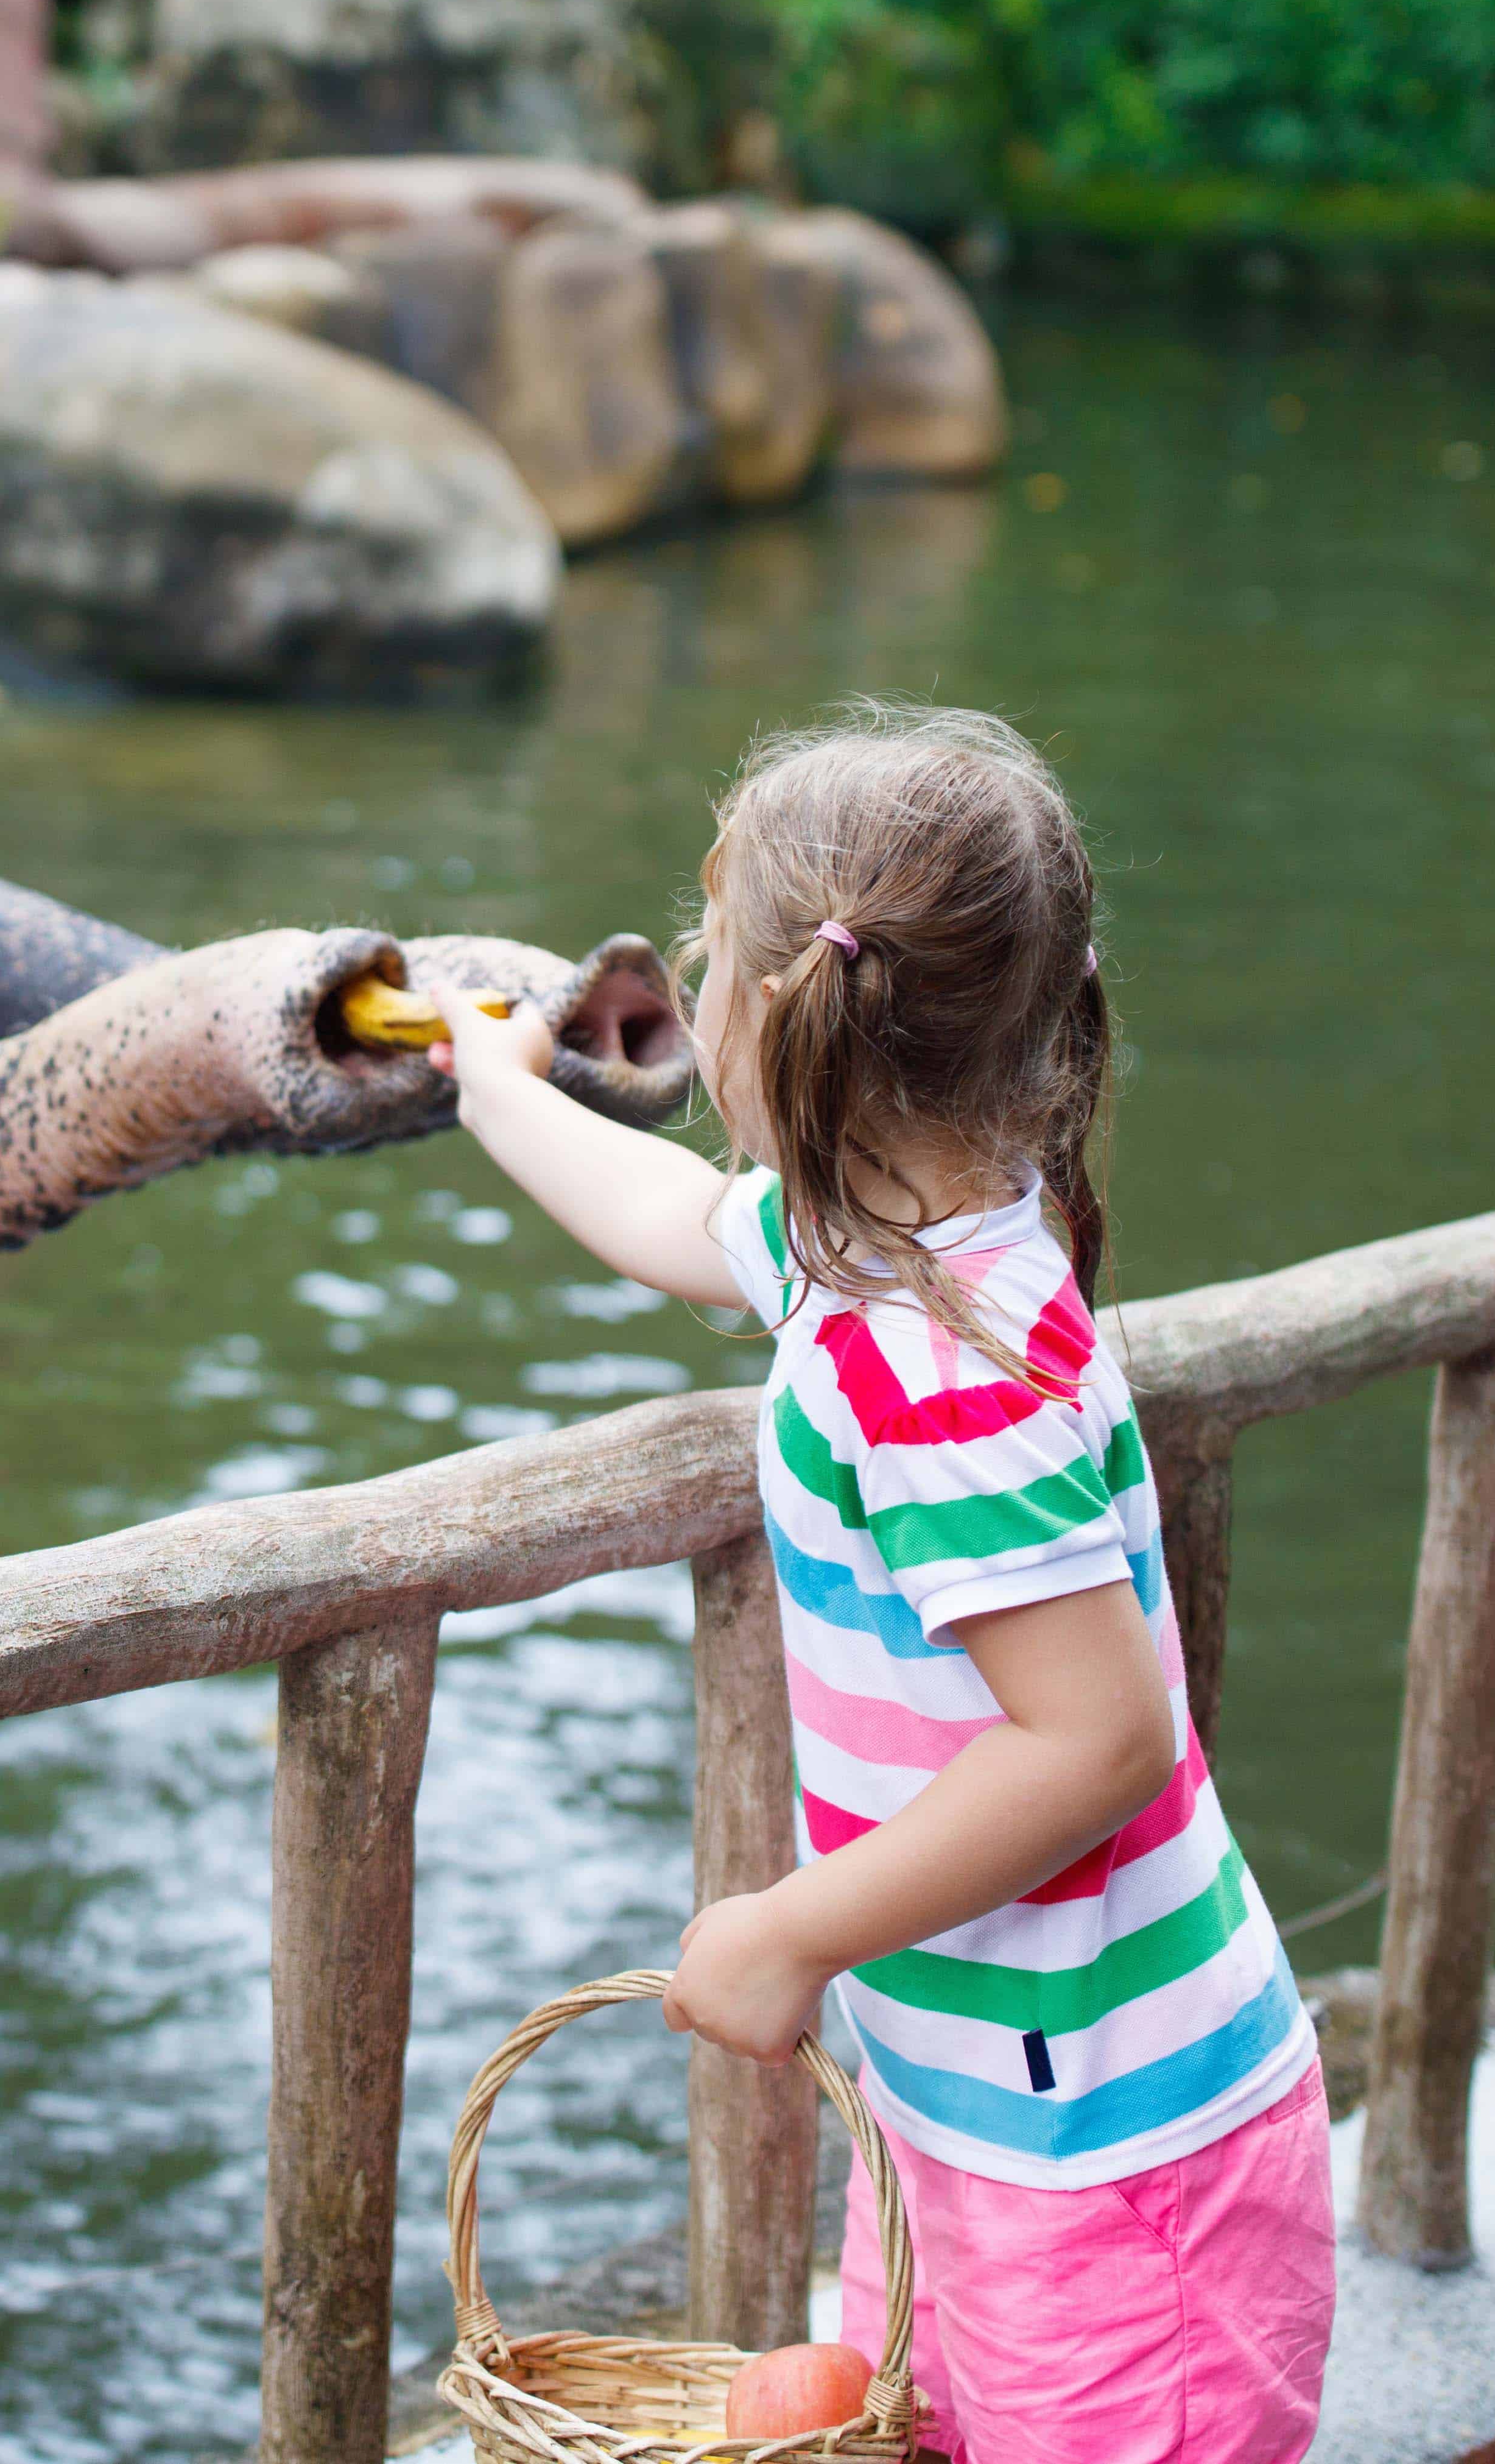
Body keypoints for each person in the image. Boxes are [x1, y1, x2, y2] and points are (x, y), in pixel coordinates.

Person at [435, 702, 1331, 2462]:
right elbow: (676, 1223)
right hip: (991, 2104)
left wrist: (788, 1928)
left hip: (1107, 2152)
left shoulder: (926, 1357)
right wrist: (488, 1083)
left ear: (773, 1010)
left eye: (705, 950)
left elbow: (1094, 1739)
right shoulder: (897, 1243)